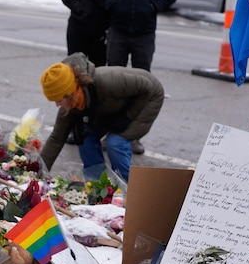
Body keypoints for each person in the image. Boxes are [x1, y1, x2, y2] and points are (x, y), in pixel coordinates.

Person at [38, 53, 164, 183]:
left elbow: (146, 87)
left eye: (58, 100)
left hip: (146, 98)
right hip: (113, 106)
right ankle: (97, 187)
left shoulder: (106, 81)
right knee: (84, 138)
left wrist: (126, 117)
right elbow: (56, 138)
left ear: (71, 92)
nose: (57, 105)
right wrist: (36, 173)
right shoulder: (70, 105)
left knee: (115, 143)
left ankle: (129, 189)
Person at [93, 0, 178, 154]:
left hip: (145, 32)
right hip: (118, 29)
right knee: (112, 85)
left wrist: (155, 6)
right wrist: (112, 5)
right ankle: (110, 133)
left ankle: (133, 137)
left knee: (143, 87)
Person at [57, 0, 107, 68]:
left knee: (98, 72)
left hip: (102, 29)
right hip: (79, 27)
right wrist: (79, 8)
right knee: (76, 69)